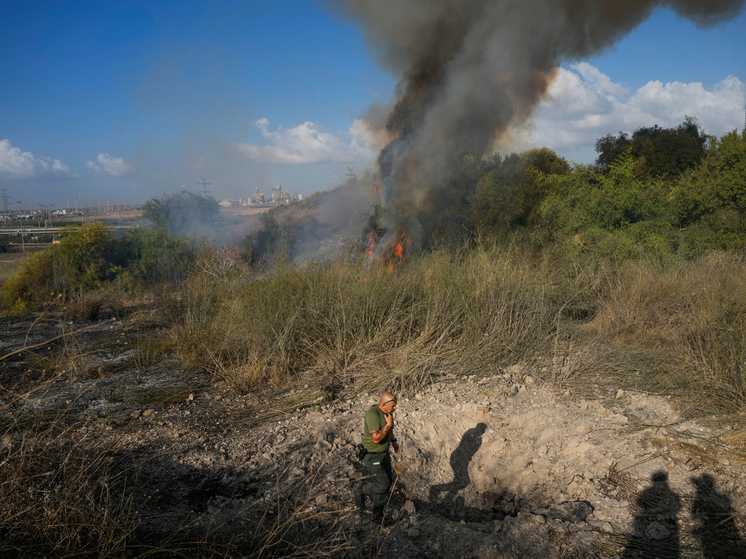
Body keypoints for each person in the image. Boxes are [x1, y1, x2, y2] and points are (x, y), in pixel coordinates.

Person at [353, 392, 399, 523]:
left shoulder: (388, 413)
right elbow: (376, 439)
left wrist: (394, 441)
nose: (395, 408)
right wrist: (388, 425)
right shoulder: (372, 415)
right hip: (372, 455)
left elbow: (389, 430)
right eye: (393, 406)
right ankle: (361, 491)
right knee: (383, 484)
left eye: (395, 405)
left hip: (383, 454)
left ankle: (377, 514)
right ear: (384, 404)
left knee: (386, 483)